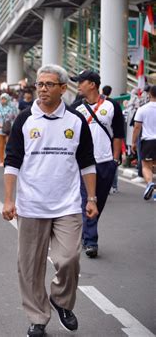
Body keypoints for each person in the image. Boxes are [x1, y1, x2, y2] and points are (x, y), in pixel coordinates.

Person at [3, 64, 98, 337]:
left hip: (67, 204)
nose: (42, 89)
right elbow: (12, 162)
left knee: (68, 258)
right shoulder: (24, 119)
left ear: (63, 88)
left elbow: (87, 163)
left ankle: (61, 299)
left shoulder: (76, 121)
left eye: (49, 84)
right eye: (39, 84)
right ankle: (37, 317)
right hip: (31, 205)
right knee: (30, 266)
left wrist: (91, 198)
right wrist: (9, 200)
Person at [71, 70, 125, 258]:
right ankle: (91, 240)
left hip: (105, 162)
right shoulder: (76, 108)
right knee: (88, 199)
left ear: (92, 84)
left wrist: (115, 159)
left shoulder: (111, 107)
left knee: (98, 202)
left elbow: (118, 134)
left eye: (81, 82)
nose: (78, 85)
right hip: (84, 164)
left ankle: (87, 234)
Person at [132, 85, 156, 200]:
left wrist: (133, 142)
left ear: (150, 94)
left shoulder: (142, 109)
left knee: (146, 166)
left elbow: (137, 127)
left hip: (148, 141)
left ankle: (150, 183)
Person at [0, 93, 18, 167]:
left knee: (9, 145)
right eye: (2, 99)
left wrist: (14, 126)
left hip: (9, 129)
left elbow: (16, 117)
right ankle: (1, 161)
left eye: (4, 99)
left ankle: (9, 160)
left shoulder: (12, 107)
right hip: (0, 129)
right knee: (1, 146)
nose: (3, 100)